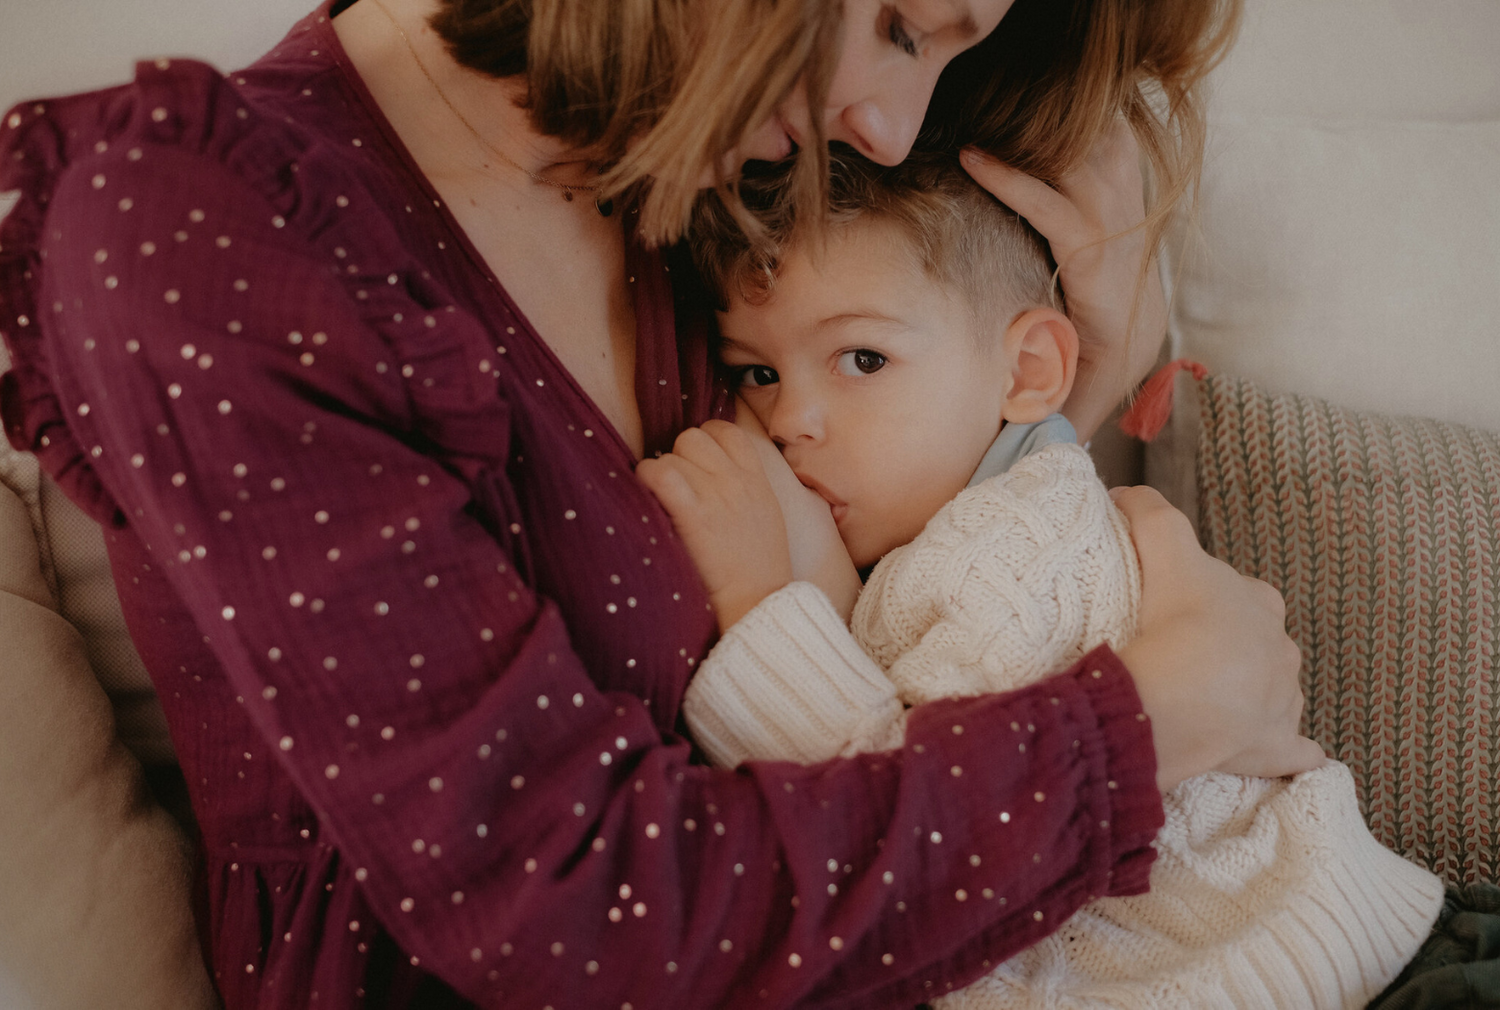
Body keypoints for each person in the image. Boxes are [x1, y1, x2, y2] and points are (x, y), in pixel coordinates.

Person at [0, 0, 1320, 1006]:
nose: (893, 130)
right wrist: (1148, 729)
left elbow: (889, 639)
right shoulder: (201, 233)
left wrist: (1067, 390)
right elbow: (562, 913)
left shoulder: (706, 167)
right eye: (904, 26)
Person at [640, 152, 1446, 1008]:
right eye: (758, 373)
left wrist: (760, 609)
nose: (790, 419)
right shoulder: (977, 518)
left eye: (862, 359)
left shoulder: (1010, 550)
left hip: (1323, 978)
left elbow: (913, 834)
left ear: (1027, 372)